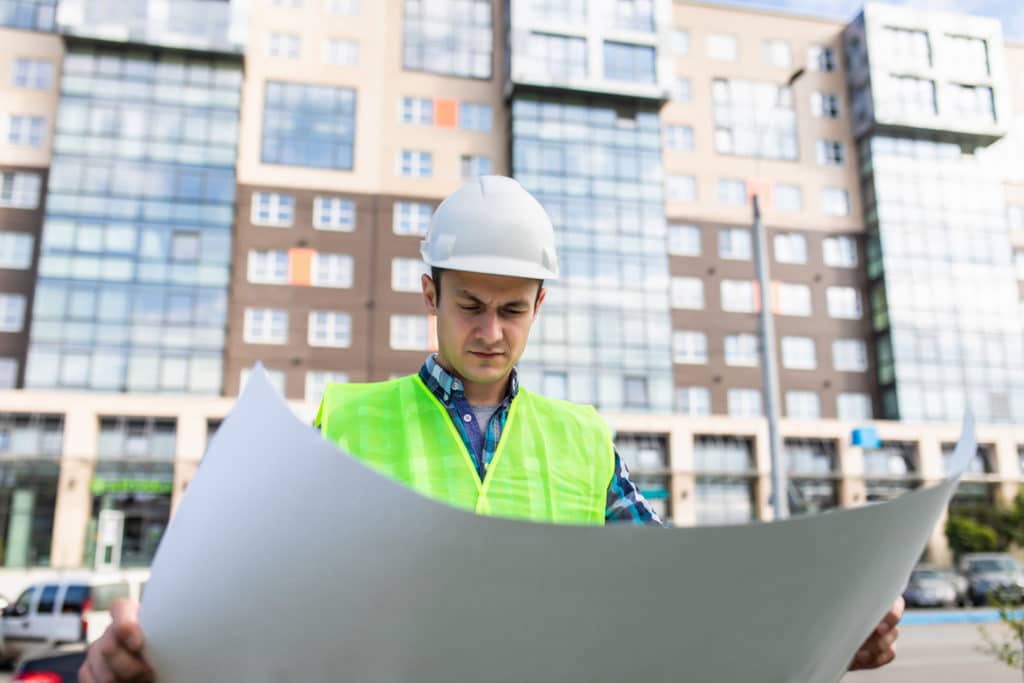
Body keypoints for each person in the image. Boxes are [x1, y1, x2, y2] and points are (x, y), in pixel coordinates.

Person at [80, 176, 903, 682]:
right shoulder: (345, 419)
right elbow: (251, 600)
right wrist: (147, 658)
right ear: (429, 293)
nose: (491, 332)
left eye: (513, 310)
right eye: (470, 305)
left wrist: (832, 636)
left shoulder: (582, 438)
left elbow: (678, 594)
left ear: (539, 305)